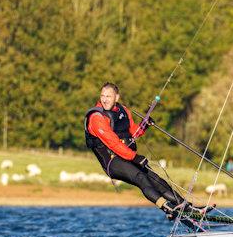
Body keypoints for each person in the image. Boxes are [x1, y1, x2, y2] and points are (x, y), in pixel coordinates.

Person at [84, 82, 207, 219]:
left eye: (108, 96)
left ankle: (187, 207)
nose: (105, 99)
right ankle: (167, 207)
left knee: (156, 179)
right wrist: (135, 157)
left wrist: (145, 125)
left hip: (127, 157)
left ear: (116, 97)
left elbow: (133, 132)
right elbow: (113, 143)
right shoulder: (96, 118)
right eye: (102, 96)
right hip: (112, 161)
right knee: (140, 177)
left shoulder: (123, 110)